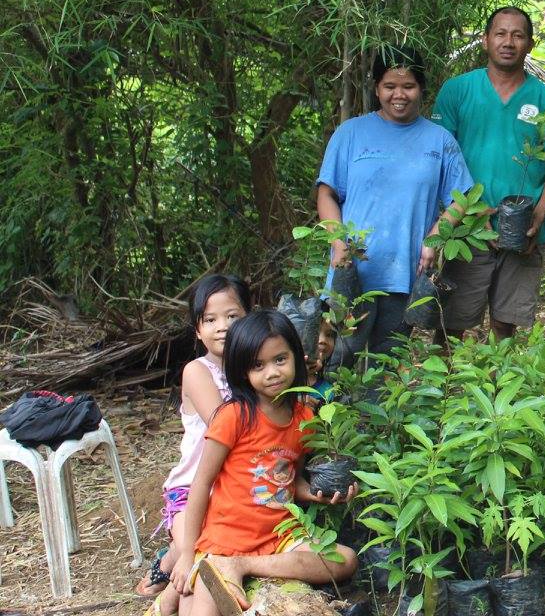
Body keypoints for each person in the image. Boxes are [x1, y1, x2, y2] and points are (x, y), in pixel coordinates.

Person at [170, 310, 358, 616]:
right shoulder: (233, 417)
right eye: (258, 365)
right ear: (243, 371)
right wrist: (186, 552)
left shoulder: (304, 419)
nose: (271, 372)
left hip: (281, 536)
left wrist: (313, 492)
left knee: (346, 560)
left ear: (297, 357)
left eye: (280, 359)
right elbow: (202, 482)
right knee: (200, 610)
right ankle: (215, 570)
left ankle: (242, 567)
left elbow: (287, 480)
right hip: (226, 538)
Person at [316, 47, 474, 366]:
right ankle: (326, 416)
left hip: (405, 272)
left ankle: (378, 419)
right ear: (377, 88)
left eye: (408, 86)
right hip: (352, 272)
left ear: (421, 89)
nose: (398, 95)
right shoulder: (351, 133)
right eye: (390, 86)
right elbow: (326, 193)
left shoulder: (440, 141)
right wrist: (337, 242)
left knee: (385, 365)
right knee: (338, 360)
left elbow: (462, 200)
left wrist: (434, 241)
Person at [433, 6, 545, 340]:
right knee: (450, 323)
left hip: (523, 231)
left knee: (504, 324)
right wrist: (474, 213)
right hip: (466, 228)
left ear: (530, 44)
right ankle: (443, 390)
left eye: (517, 35)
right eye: (500, 33)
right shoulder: (457, 90)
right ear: (485, 40)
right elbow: (440, 159)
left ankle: (498, 387)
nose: (508, 42)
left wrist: (538, 215)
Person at [137, 276, 251, 614]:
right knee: (201, 555)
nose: (223, 327)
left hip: (234, 490)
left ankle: (171, 571)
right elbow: (225, 424)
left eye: (233, 316)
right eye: (211, 320)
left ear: (250, 317)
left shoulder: (257, 367)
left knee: (209, 556)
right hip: (191, 489)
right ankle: (173, 560)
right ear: (197, 331)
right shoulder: (196, 371)